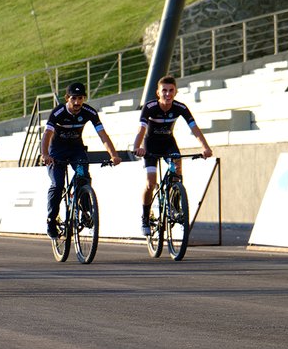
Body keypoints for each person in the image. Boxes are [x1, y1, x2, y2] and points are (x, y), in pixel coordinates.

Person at [133, 75, 212, 235]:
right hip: (150, 145)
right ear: (158, 92)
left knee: (177, 169)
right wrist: (137, 147)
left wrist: (206, 147)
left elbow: (194, 128)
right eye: (164, 91)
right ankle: (146, 218)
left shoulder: (180, 107)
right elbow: (141, 129)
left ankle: (175, 204)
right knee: (151, 184)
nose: (167, 94)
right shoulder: (150, 107)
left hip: (168, 143)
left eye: (171, 91)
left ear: (175, 92)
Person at [41, 82, 121, 239]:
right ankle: (51, 220)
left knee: (83, 177)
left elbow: (102, 134)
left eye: (80, 98)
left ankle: (84, 210)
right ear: (67, 98)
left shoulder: (89, 111)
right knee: (57, 185)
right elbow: (47, 134)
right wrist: (44, 154)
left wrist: (113, 154)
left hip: (76, 150)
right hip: (56, 152)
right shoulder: (58, 113)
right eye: (73, 99)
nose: (77, 102)